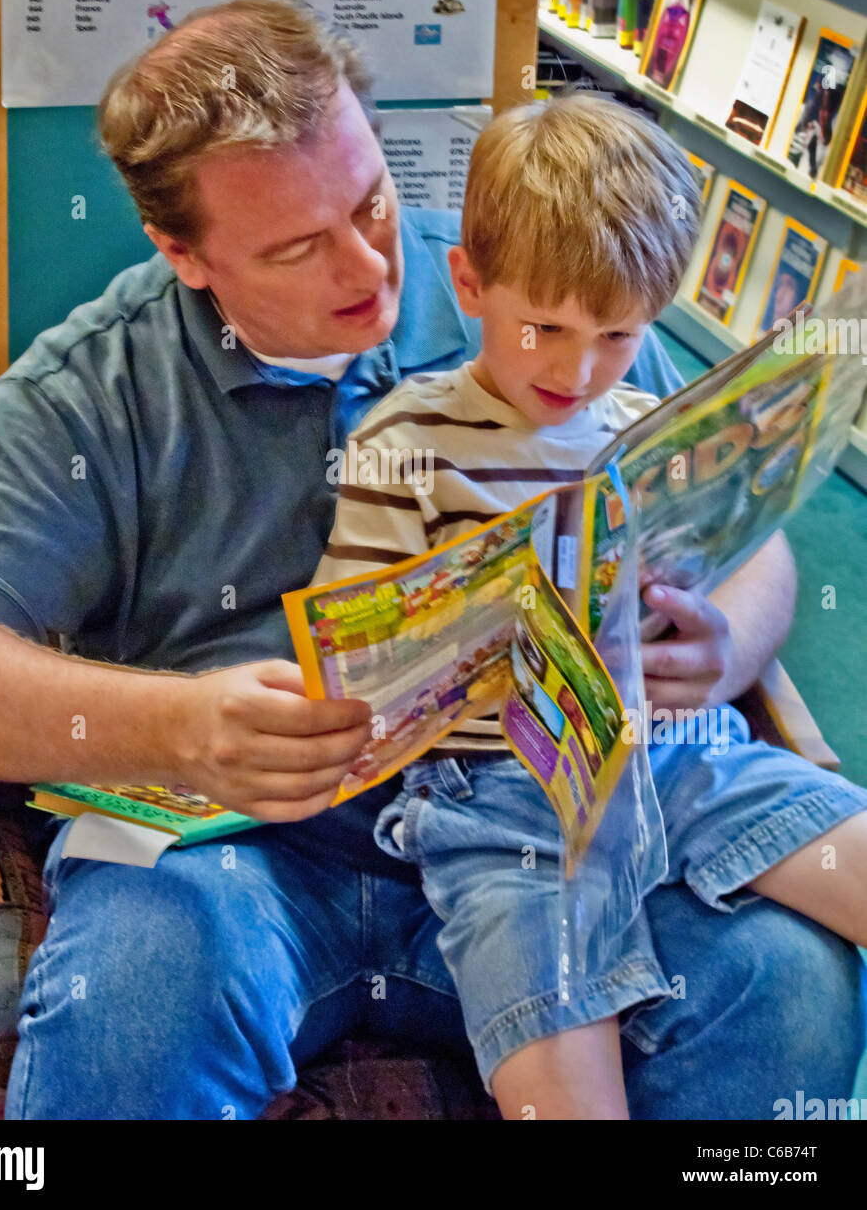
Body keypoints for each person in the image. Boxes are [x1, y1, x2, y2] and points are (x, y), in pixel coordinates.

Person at [0, 0, 862, 1120]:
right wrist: (183, 728)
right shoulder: (91, 395)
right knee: (136, 999)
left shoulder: (509, 284)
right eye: (299, 245)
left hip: (541, 806)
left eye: (372, 203)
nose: (368, 268)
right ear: (182, 252)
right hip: (245, 853)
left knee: (786, 982)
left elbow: (736, 518)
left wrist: (720, 635)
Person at [313, 94, 867, 1119]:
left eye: (616, 333)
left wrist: (698, 624)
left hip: (670, 750)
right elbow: (358, 646)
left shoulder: (648, 423)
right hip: (495, 801)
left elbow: (712, 574)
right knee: (567, 1091)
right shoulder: (406, 441)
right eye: (545, 328)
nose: (576, 369)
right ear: (468, 283)